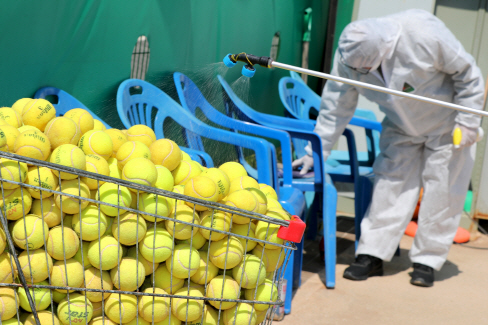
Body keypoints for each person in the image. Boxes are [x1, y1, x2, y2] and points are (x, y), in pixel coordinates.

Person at [292, 9, 484, 287]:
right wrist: (316, 152)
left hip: (447, 126)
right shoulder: (350, 53)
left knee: (442, 192)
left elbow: (469, 75)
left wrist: (467, 121)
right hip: (401, 125)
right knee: (389, 186)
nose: (363, 74)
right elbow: (336, 105)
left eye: (367, 69)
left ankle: (427, 261)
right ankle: (371, 255)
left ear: (386, 49)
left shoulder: (423, 33)